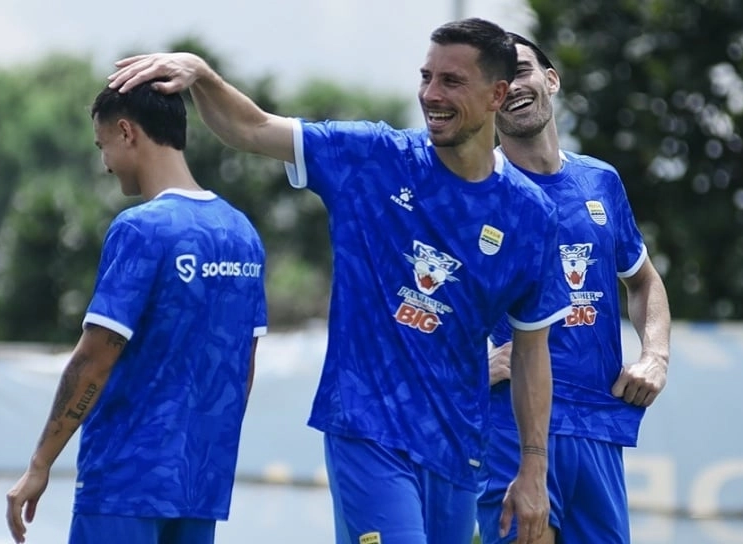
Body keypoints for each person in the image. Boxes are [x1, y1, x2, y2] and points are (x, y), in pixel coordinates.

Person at [107, 18, 570, 544]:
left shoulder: (531, 216)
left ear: (497, 95)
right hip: (366, 429)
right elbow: (253, 129)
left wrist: (533, 470)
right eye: (426, 77)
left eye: (451, 81)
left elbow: (532, 349)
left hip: (457, 448)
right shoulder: (373, 159)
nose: (431, 94)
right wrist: (202, 76)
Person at [5, 82, 267, 544]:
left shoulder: (141, 229)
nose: (104, 162)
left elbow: (94, 360)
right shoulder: (242, 233)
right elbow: (241, 370)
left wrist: (40, 463)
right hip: (199, 484)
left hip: (125, 481)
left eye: (101, 145)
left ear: (126, 132)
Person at [477, 33, 672, 544]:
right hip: (511, 428)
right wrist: (470, 366)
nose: (511, 86)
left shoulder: (600, 181)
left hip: (598, 424)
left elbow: (645, 281)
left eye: (520, 69)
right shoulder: (474, 189)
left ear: (551, 79)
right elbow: (419, 297)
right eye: (495, 81)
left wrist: (655, 355)